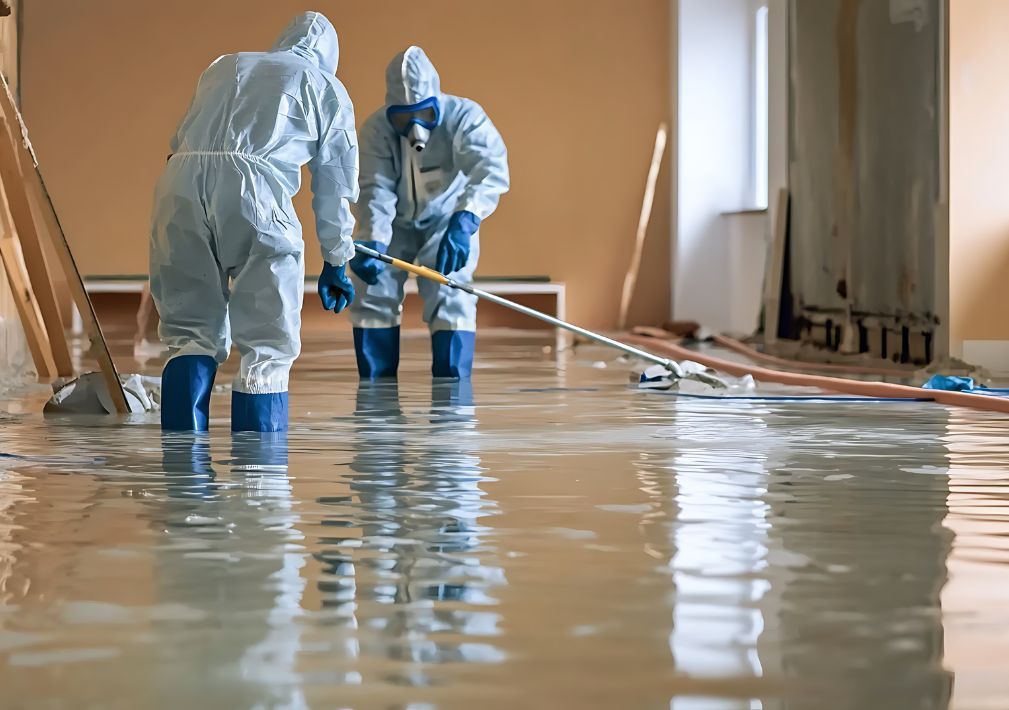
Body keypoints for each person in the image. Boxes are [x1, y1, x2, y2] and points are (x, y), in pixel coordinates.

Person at [150, 12, 358, 433]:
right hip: (255, 194)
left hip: (178, 188)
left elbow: (181, 140)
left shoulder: (226, 64)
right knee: (267, 346)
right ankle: (257, 484)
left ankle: (181, 482)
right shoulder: (325, 86)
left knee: (189, 334)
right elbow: (335, 185)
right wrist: (337, 258)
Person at [348, 46, 509, 379]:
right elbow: (374, 189)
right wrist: (373, 239)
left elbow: (489, 170)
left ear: (437, 102)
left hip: (446, 221)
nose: (414, 126)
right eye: (403, 118)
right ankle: (376, 402)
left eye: (424, 114)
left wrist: (466, 219)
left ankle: (452, 400)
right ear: (391, 113)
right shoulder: (376, 129)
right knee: (373, 292)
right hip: (393, 226)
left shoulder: (465, 117)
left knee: (451, 292)